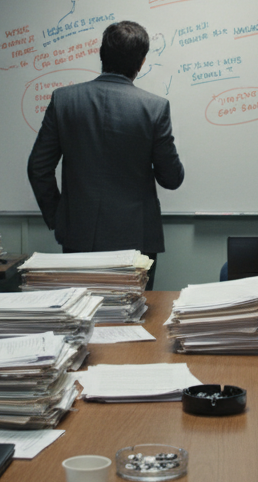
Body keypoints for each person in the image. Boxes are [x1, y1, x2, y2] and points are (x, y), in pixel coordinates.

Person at [27, 21, 184, 289]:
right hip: (137, 241)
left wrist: (60, 216)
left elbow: (38, 168)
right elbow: (171, 178)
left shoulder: (64, 100)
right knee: (133, 321)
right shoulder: (155, 108)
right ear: (142, 61)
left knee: (80, 318)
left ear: (101, 54)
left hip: (79, 235)